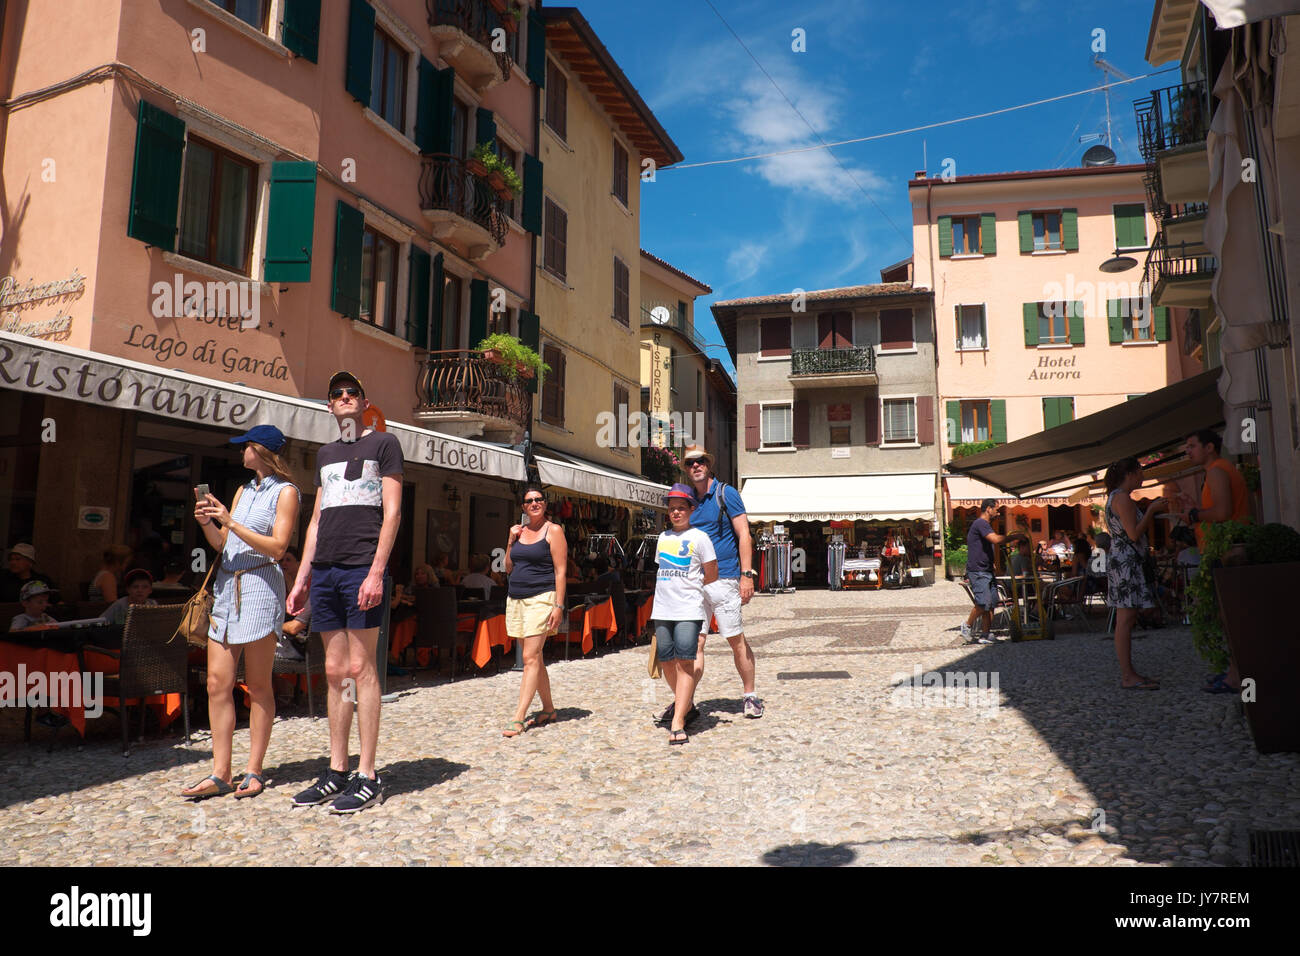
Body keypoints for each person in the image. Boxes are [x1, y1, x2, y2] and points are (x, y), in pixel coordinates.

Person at [288, 372, 402, 813]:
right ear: (330, 406)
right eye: (337, 394)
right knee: (335, 672)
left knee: (361, 667)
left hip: (360, 567)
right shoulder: (325, 454)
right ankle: (337, 771)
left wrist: (377, 571)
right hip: (327, 570)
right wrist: (302, 578)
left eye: (352, 392)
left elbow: (391, 513)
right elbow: (316, 519)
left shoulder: (383, 444)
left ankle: (369, 773)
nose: (345, 398)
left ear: (364, 401)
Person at [180, 425, 300, 801]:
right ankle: (220, 773)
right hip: (227, 589)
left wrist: (230, 521)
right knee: (217, 682)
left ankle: (254, 770)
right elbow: (223, 546)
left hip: (261, 588)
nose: (240, 452)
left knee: (259, 685)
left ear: (262, 451)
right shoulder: (243, 490)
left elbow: (279, 547)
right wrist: (208, 523)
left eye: (245, 446)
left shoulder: (287, 492)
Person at [656, 444, 761, 726]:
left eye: (700, 461)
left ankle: (750, 694)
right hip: (695, 582)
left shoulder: (726, 494)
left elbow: (744, 534)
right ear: (687, 470)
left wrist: (747, 575)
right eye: (690, 463)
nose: (696, 466)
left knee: (735, 640)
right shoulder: (690, 500)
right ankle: (685, 702)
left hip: (725, 578)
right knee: (695, 645)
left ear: (709, 464)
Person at [1174, 429, 1250, 693]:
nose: (1188, 451)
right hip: (1220, 549)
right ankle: (1233, 671)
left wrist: (1194, 514)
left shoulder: (1217, 471)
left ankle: (1236, 676)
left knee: (1228, 616)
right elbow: (1217, 510)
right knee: (1225, 615)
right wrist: (1195, 507)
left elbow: (1223, 512)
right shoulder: (1217, 471)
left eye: (1192, 445)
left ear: (1209, 447)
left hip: (1224, 551)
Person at [652, 484, 718, 745]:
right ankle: (686, 704)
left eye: (681, 508)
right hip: (663, 608)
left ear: (691, 509)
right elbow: (663, 572)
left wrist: (693, 591)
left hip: (689, 609)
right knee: (667, 661)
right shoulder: (663, 538)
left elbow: (711, 572)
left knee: (685, 662)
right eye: (672, 509)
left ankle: (678, 720)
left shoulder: (700, 538)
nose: (676, 512)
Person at [502, 486, 566, 737]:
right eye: (529, 501)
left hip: (542, 597)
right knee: (535, 658)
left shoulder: (554, 531)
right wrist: (509, 541)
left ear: (545, 504)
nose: (535, 503)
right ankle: (548, 709)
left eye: (539, 499)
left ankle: (518, 717)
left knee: (529, 657)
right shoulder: (519, 532)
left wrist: (558, 606)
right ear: (523, 507)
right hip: (516, 599)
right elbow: (508, 567)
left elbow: (561, 571)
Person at [1104, 457, 1168, 690]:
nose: (1142, 477)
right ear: (1130, 474)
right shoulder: (1121, 497)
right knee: (1126, 619)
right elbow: (1133, 534)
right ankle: (1128, 675)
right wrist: (1151, 510)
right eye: (1140, 473)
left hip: (1123, 560)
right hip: (1126, 562)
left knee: (1126, 619)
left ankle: (1129, 673)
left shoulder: (1116, 497)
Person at [959, 499, 1028, 644]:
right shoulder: (980, 523)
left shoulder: (986, 525)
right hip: (978, 571)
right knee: (983, 602)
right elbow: (996, 540)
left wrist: (993, 565)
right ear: (988, 509)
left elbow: (986, 547)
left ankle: (985, 634)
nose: (998, 511)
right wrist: (1015, 536)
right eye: (996, 509)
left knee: (991, 604)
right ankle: (967, 626)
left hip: (987, 569)